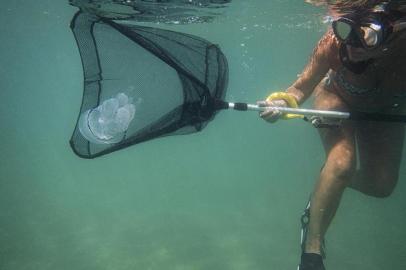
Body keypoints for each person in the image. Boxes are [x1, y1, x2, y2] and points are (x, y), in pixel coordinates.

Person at [258, 1, 406, 269]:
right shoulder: (331, 44)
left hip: (387, 109)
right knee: (341, 162)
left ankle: (327, 187)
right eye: (345, 36)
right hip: (335, 98)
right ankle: (312, 250)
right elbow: (299, 89)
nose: (350, 48)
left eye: (363, 41)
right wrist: (280, 104)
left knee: (381, 186)